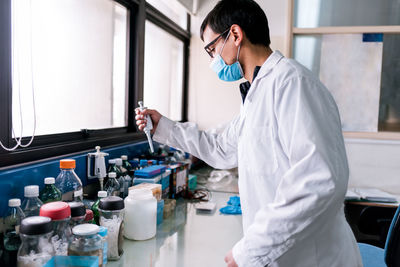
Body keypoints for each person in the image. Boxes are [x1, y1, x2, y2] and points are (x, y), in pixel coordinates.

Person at [135, 0, 362, 266]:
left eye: (212, 49)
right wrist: (164, 125)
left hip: (314, 257)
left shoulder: (292, 83)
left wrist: (250, 251)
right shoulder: (256, 93)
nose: (213, 60)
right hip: (281, 252)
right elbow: (220, 148)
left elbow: (318, 182)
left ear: (235, 34)